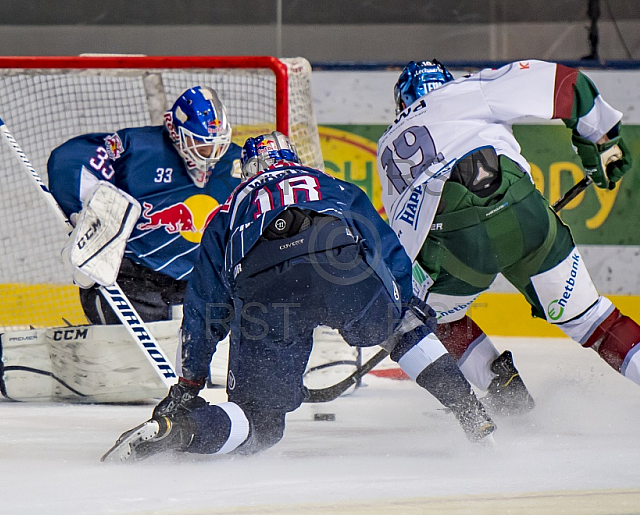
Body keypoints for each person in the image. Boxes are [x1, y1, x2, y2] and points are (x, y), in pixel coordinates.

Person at [101, 132, 496, 463]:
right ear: (293, 159)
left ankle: (180, 432)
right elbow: (388, 248)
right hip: (337, 260)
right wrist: (402, 304)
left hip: (264, 285)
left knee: (261, 424)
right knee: (404, 328)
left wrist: (189, 384)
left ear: (250, 171)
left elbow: (205, 307)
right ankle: (470, 412)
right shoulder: (334, 185)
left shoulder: (227, 212)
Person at [375, 59, 640, 425]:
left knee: (437, 319)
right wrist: (600, 140)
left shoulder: (387, 145)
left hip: (451, 243)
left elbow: (405, 237)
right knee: (590, 317)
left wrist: (412, 307)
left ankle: (505, 388)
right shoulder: (469, 89)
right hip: (523, 212)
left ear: (402, 104)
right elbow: (567, 83)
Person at [48, 86, 241, 324]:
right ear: (174, 129)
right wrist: (85, 212)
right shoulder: (138, 148)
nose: (209, 153)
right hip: (132, 280)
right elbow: (70, 159)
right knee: (131, 351)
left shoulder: (238, 162)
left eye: (216, 144)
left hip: (198, 284)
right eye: (200, 143)